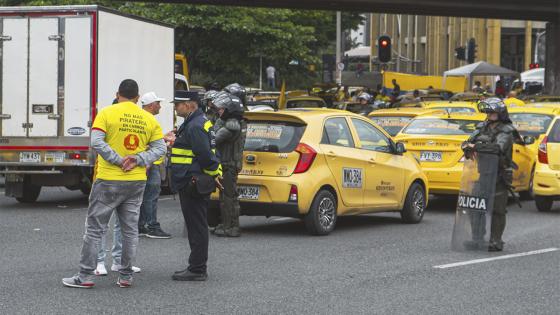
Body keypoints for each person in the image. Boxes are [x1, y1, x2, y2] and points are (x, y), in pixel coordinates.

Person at [62, 79, 166, 288]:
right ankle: (126, 275)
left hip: (108, 179)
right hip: (136, 180)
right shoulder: (148, 118)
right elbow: (160, 149)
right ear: (138, 97)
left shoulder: (107, 113)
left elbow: (96, 142)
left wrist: (118, 159)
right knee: (129, 230)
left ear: (118, 94)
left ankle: (85, 276)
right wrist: (138, 159)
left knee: (95, 229)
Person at [170, 91, 222, 281]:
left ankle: (197, 269)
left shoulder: (194, 126)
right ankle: (196, 266)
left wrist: (212, 175)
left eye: (178, 104)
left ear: (190, 105)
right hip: (192, 179)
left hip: (192, 181)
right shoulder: (198, 122)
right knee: (196, 225)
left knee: (197, 227)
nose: (175, 107)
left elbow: (206, 156)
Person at [461, 97, 514, 252]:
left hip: (499, 175)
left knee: (497, 210)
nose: (489, 114)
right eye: (488, 111)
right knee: (475, 205)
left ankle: (496, 241)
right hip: (483, 173)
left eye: (492, 111)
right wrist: (467, 148)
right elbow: (467, 142)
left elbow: (497, 148)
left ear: (501, 113)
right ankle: (477, 238)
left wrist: (475, 146)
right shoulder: (482, 127)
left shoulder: (506, 130)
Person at [210, 92, 247, 237]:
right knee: (226, 196)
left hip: (229, 165)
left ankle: (231, 227)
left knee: (229, 197)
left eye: (221, 109)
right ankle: (227, 224)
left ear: (230, 109)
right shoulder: (233, 122)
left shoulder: (232, 125)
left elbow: (214, 138)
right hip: (228, 164)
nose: (219, 111)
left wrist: (217, 123)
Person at [137, 92, 172, 239]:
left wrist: (164, 138)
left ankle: (141, 225)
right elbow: (148, 144)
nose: (160, 106)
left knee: (144, 196)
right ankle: (151, 226)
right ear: (151, 105)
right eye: (158, 103)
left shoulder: (141, 118)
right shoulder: (149, 119)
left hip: (147, 163)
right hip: (151, 164)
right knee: (151, 196)